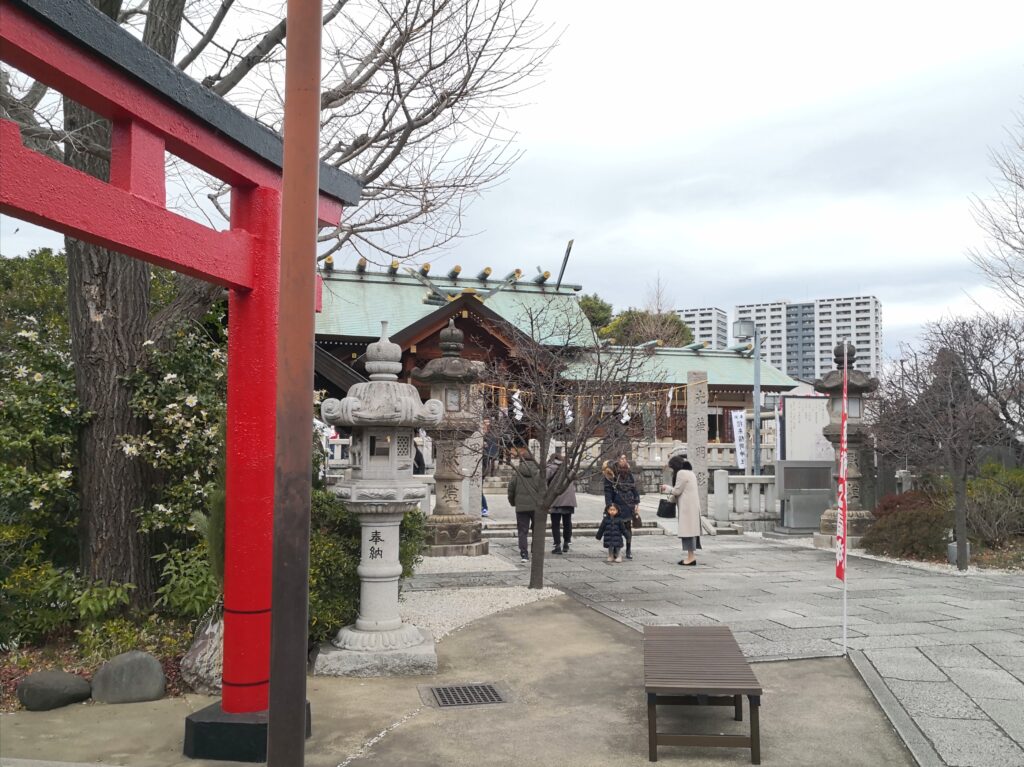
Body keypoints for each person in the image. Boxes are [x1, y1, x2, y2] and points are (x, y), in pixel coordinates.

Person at [507, 444, 545, 563]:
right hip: (536, 506)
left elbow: (511, 489)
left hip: (521, 507)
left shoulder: (517, 474)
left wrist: (513, 502)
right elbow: (544, 489)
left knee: (522, 531)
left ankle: (524, 553)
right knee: (536, 529)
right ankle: (535, 549)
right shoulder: (539, 473)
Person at [661, 456, 701, 565]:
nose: (672, 470)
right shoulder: (689, 472)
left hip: (687, 508)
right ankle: (690, 556)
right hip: (691, 506)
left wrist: (666, 488)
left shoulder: (681, 473)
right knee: (691, 532)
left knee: (688, 532)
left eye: (672, 468)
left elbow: (677, 491)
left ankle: (691, 558)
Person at [603, 454, 640, 560]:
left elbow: (634, 487)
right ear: (616, 460)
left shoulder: (628, 473)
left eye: (624, 458)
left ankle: (628, 549)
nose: (623, 460)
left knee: (627, 528)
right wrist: (609, 505)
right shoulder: (610, 474)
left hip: (628, 503)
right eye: (621, 458)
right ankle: (615, 549)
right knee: (615, 527)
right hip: (616, 505)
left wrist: (637, 501)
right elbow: (608, 491)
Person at [546, 449, 576, 554]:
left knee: (555, 523)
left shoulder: (550, 468)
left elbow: (544, 480)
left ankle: (557, 545)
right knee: (567, 522)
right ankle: (566, 543)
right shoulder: (569, 468)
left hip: (555, 499)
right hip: (568, 500)